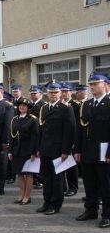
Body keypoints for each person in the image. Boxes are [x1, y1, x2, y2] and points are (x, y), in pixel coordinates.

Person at [74, 72, 110, 228]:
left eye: (96, 83)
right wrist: (78, 149)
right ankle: (91, 210)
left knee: (106, 184)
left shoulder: (109, 103)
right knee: (89, 183)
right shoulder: (87, 104)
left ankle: (107, 215)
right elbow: (81, 129)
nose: (92, 86)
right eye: (91, 84)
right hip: (88, 150)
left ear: (106, 84)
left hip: (104, 151)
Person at [36, 80, 75, 215]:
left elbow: (69, 131)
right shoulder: (44, 108)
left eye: (56, 92)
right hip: (45, 148)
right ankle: (46, 202)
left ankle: (55, 204)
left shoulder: (66, 108)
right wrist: (39, 148)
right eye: (51, 92)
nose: (53, 94)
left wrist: (65, 150)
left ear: (60, 93)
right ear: (47, 93)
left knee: (57, 179)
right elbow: (41, 130)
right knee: (46, 178)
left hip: (58, 150)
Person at [8, 98, 39, 205]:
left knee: (29, 174)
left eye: (24, 106)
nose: (21, 107)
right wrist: (10, 151)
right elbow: (11, 136)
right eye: (20, 105)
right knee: (20, 174)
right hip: (17, 150)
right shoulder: (14, 119)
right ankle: (21, 195)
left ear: (28, 108)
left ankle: (27, 196)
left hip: (28, 151)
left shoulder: (33, 120)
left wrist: (33, 152)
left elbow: (35, 137)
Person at [60, 82, 80, 197]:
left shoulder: (76, 105)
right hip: (60, 139)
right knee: (61, 164)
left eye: (66, 91)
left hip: (71, 139)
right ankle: (62, 186)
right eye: (62, 91)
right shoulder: (60, 105)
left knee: (71, 165)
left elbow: (76, 125)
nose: (64, 94)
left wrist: (74, 141)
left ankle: (73, 187)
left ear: (71, 92)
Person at [28, 85, 46, 190]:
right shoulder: (29, 105)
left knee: (39, 158)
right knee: (32, 157)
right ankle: (34, 178)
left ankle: (40, 179)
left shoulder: (43, 105)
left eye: (35, 93)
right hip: (31, 135)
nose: (33, 95)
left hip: (40, 134)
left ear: (40, 94)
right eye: (31, 93)